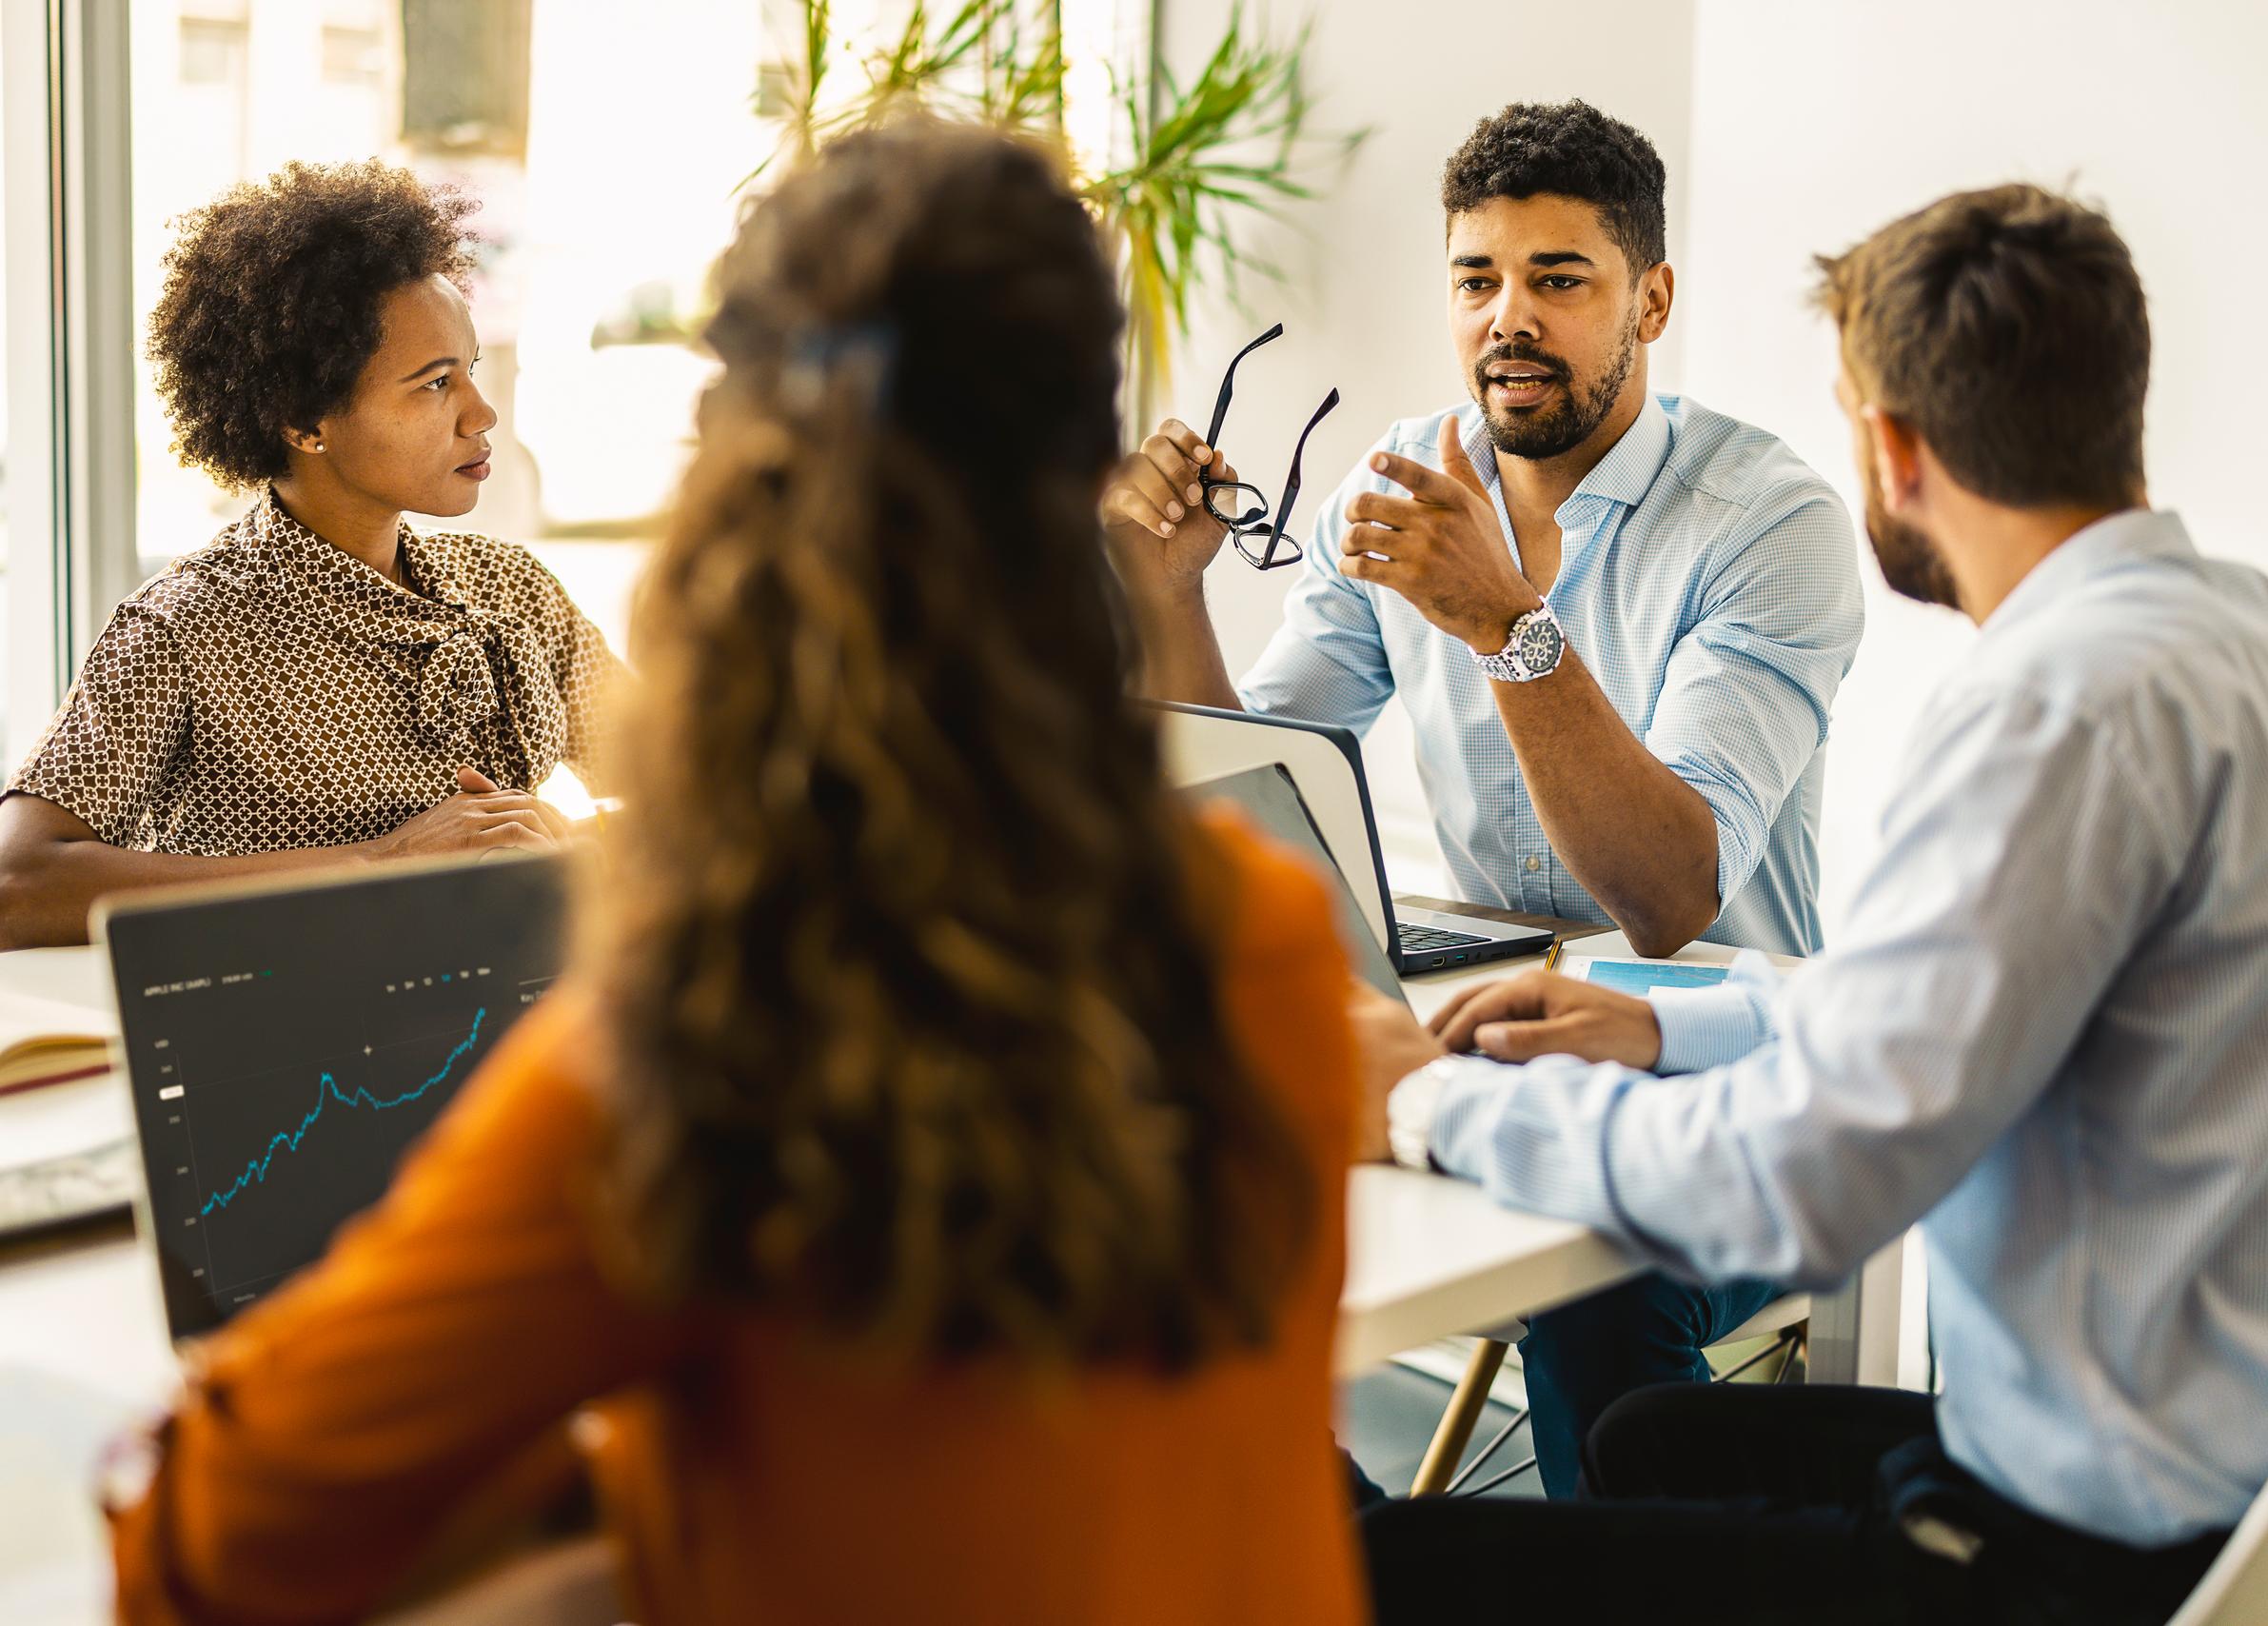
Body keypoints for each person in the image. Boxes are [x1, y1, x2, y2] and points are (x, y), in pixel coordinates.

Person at [106, 123, 1368, 1626]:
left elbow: (205, 1545)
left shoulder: (692, 1051)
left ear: (735, 498)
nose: (478, 414)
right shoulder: (1267, 937)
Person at [1351, 183, 2268, 1624]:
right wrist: (1662, 1034)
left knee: (1377, 1559)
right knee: (1644, 1442)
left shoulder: (2058, 709)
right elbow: (1943, 1016)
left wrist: (1426, 1107)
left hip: (2081, 1559)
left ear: (1893, 447)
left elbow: (1797, 1187)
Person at [1105, 98, 1863, 1499]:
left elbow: (1671, 892)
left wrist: (1508, 626)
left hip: (1722, 1063)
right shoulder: (1399, 486)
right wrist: (1171, 597)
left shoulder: (1771, 523)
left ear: (1652, 298)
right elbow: (1255, 788)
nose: (1508, 318)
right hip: (1480, 1035)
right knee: (1174, 1185)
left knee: (1597, 1296)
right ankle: (1331, 1537)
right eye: (1477, 280)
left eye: (1559, 280)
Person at [0, 160, 617, 949]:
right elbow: (19, 886)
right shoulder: (186, 630)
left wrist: (573, 847)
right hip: (294, 1051)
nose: (481, 412)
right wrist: (379, 863)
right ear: (303, 421)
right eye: (434, 384)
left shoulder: (513, 589)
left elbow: (691, 795)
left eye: (472, 372)